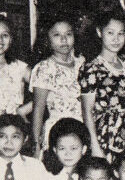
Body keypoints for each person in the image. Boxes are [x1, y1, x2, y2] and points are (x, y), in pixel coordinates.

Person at [79, 11, 125, 165]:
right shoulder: (91, 68)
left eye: (121, 33)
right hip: (104, 134)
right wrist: (95, 146)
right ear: (99, 32)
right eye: (110, 33)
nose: (116, 39)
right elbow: (87, 111)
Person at [30, 17, 84, 153]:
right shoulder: (45, 68)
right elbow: (38, 108)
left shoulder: (82, 64)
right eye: (57, 35)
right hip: (57, 132)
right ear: (47, 39)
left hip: (83, 131)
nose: (64, 39)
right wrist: (36, 144)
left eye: (68, 34)